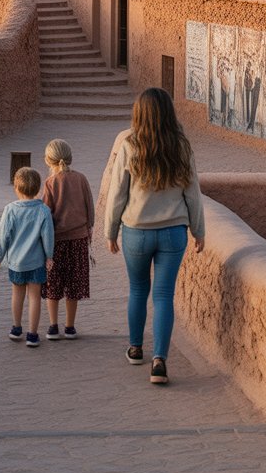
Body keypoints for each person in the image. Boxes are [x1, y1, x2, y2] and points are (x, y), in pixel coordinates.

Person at [105, 88, 205, 386]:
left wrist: (110, 231)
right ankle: (159, 361)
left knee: (138, 290)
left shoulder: (129, 145)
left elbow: (116, 194)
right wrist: (199, 230)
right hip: (174, 233)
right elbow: (193, 194)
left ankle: (136, 349)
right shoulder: (181, 146)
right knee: (163, 296)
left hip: (136, 232)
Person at [40, 139, 94, 340]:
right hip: (78, 240)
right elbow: (90, 206)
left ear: (48, 160)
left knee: (53, 284)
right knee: (74, 284)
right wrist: (89, 229)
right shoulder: (81, 179)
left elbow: (46, 214)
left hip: (56, 242)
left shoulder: (50, 183)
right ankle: (70, 326)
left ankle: (53, 326)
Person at [0, 167, 54, 347]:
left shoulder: (10, 209)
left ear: (16, 188)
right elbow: (48, 236)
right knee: (35, 297)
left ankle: (16, 327)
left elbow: (3, 235)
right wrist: (49, 256)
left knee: (17, 294)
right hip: (36, 262)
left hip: (15, 262)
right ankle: (33, 334)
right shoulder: (43, 210)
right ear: (38, 189)